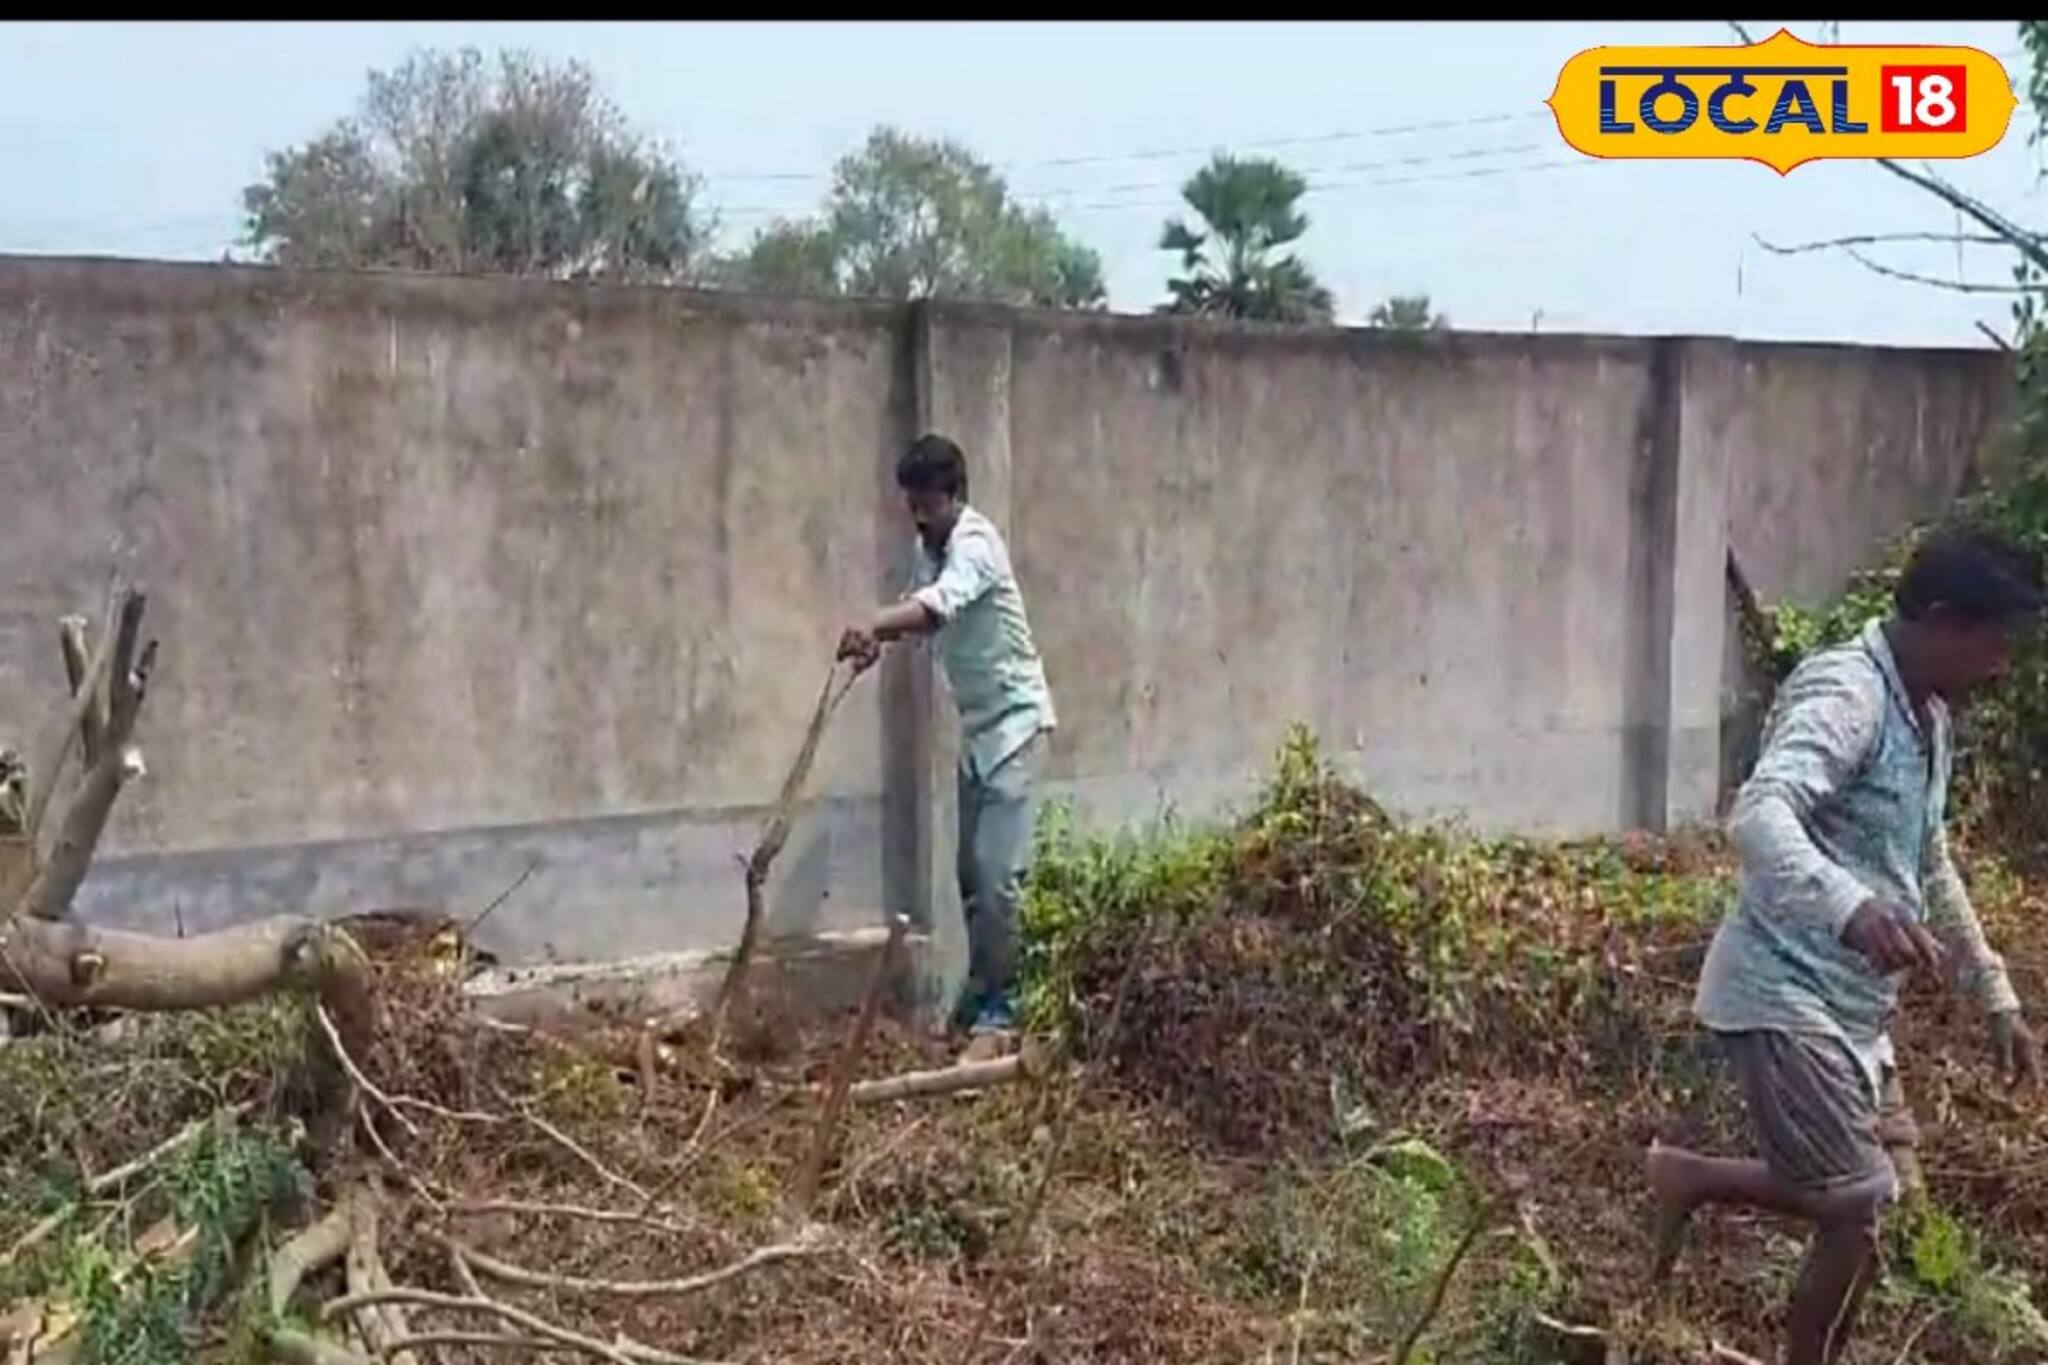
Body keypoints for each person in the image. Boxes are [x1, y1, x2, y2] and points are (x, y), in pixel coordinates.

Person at [1649, 523, 2045, 1365]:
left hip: (1854, 1011)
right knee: (1858, 1196)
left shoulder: (1927, 713)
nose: (2001, 667)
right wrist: (1850, 905)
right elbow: (1759, 813)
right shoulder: (1849, 695)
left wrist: (1996, 994)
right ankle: (1691, 1186)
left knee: (1882, 1203)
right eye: (1993, 643)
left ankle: (1686, 1176)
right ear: (1940, 619)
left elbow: (1927, 855)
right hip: (1783, 990)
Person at [837, 433, 1056, 1050]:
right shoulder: (927, 549)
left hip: (1016, 721)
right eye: (912, 504)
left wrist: (874, 620)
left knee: (997, 877)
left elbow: (939, 607)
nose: (919, 515)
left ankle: (1006, 1005)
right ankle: (984, 991)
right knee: (969, 875)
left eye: (928, 504)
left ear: (954, 496)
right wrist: (877, 642)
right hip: (980, 728)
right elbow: (919, 611)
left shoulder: (976, 545)